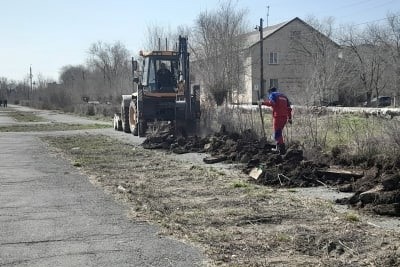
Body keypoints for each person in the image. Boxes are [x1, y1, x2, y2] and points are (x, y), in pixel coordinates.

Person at [259, 87, 292, 154]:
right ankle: (278, 148)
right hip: (284, 118)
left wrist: (262, 103)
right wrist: (290, 118)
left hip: (278, 117)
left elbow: (272, 103)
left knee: (277, 134)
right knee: (279, 133)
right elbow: (289, 108)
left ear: (270, 92)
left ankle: (282, 150)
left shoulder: (273, 95)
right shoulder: (284, 96)